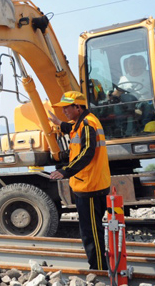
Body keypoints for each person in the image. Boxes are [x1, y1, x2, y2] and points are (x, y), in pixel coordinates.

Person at [48, 91, 111, 271]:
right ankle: (99, 265)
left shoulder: (87, 123)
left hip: (90, 186)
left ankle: (99, 269)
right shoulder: (82, 122)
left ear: (78, 106)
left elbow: (87, 153)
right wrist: (60, 124)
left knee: (91, 233)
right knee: (91, 230)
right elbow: (73, 130)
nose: (64, 111)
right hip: (90, 183)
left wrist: (65, 171)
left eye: (66, 107)